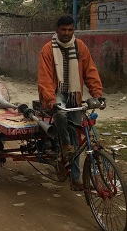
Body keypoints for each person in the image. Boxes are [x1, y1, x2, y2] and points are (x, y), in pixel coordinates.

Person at [38, 15, 104, 191]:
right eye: (63, 30)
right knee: (60, 113)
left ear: (73, 30)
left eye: (70, 30)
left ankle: (75, 179)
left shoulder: (80, 46)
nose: (66, 33)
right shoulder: (47, 50)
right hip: (56, 93)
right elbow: (44, 78)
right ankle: (65, 146)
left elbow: (90, 70)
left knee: (77, 136)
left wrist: (97, 94)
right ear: (57, 30)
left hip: (74, 94)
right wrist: (51, 100)